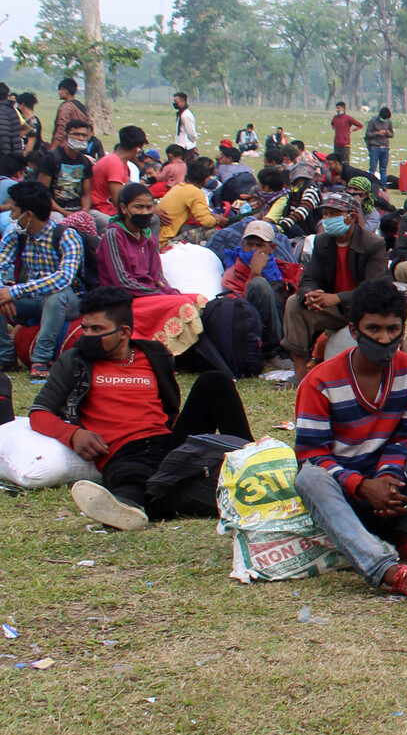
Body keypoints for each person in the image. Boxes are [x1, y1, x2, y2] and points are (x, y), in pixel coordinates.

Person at [292, 280, 407, 602]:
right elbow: (312, 455)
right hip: (341, 493)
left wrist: (388, 478)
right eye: (373, 328)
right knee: (308, 477)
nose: (384, 339)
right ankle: (387, 570)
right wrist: (361, 485)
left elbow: (402, 439)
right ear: (354, 331)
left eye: (392, 329)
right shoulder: (319, 382)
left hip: (387, 491)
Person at [33, 286, 253, 530]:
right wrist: (73, 434)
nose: (87, 335)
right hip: (122, 451)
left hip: (169, 442)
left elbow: (169, 403)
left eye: (97, 329)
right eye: (85, 328)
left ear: (124, 332)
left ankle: (253, 463)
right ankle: (129, 507)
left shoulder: (155, 355)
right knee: (132, 481)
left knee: (215, 381)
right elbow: (40, 412)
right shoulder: (74, 361)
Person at [284, 190, 390, 381]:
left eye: (334, 214)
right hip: (334, 309)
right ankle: (299, 373)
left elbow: (373, 289)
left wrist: (337, 298)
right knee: (294, 303)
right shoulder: (323, 241)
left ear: (351, 217)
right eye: (325, 214)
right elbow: (309, 277)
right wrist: (310, 294)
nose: (327, 219)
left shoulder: (373, 244)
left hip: (364, 310)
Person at [0, 181, 86, 378]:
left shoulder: (67, 237)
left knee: (55, 295)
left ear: (27, 215)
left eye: (14, 211)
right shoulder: (16, 233)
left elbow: (63, 278)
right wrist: (2, 292)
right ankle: (5, 356)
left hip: (69, 301)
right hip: (33, 299)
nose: (12, 216)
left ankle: (41, 359)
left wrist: (13, 292)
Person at [221, 220, 291, 363]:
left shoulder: (282, 268)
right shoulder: (232, 274)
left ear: (272, 248)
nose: (254, 250)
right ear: (242, 246)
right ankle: (273, 351)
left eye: (260, 245)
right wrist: (255, 273)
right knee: (259, 284)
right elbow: (240, 310)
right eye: (250, 245)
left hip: (283, 323)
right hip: (255, 330)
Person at [155, 159, 226, 245]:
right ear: (204, 182)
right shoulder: (195, 192)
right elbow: (207, 222)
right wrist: (218, 220)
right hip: (165, 241)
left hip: (157, 236)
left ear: (186, 177)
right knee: (213, 231)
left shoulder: (178, 187)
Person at [37, 119, 94, 216]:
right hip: (54, 210)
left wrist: (85, 210)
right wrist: (64, 213)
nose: (80, 138)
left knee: (104, 220)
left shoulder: (85, 162)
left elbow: (86, 194)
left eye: (84, 135)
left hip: (77, 208)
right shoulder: (51, 159)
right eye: (75, 134)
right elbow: (42, 192)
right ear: (66, 136)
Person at [90, 126, 144, 220]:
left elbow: (128, 189)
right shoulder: (114, 164)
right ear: (137, 149)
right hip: (102, 210)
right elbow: (118, 200)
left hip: (107, 208)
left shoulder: (120, 162)